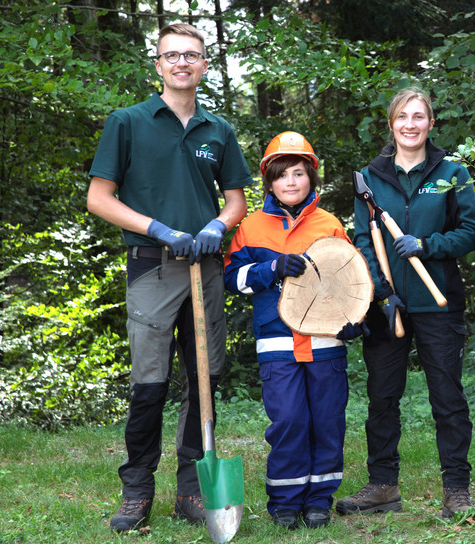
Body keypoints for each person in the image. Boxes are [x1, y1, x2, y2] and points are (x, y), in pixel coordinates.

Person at [86, 23, 252, 533]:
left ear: (205, 65)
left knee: (205, 381)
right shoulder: (128, 122)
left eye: (193, 55)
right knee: (150, 384)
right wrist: (158, 228)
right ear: (157, 65)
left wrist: (215, 227)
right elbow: (99, 198)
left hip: (207, 268)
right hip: (152, 266)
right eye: (172, 55)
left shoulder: (218, 130)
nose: (182, 62)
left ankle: (190, 493)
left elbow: (237, 200)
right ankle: (136, 492)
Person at [340, 87, 475, 518]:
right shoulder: (370, 177)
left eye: (419, 116)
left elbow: (472, 232)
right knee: (383, 397)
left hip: (439, 302)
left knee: (447, 397)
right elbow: (363, 239)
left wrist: (425, 244)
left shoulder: (453, 173)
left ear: (431, 123)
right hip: (386, 305)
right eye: (403, 117)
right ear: (391, 124)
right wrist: (380, 290)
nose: (410, 124)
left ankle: (456, 487)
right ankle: (383, 485)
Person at [224, 132, 366, 530]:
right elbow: (231, 279)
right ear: (269, 181)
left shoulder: (330, 224)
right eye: (282, 175)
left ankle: (319, 499)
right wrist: (271, 269)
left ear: (311, 179)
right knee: (288, 421)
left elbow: (349, 280)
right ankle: (285, 501)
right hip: (277, 341)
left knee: (326, 421)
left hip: (326, 343)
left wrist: (354, 320)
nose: (291, 182)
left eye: (299, 174)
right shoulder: (250, 228)